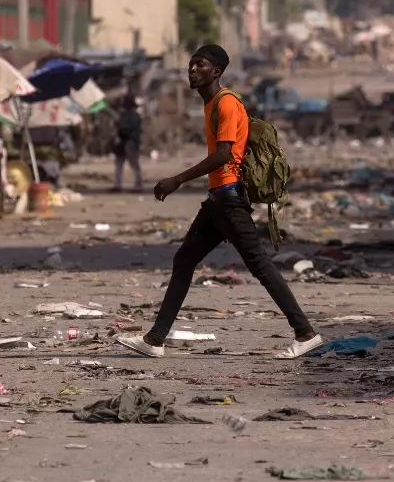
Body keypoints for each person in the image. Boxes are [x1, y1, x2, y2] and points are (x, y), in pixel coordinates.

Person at [118, 44, 323, 360]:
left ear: (216, 71)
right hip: (218, 201)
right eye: (190, 65)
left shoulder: (225, 103)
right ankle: (155, 339)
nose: (192, 70)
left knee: (259, 264)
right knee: (185, 260)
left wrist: (177, 180)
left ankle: (306, 333)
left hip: (228, 199)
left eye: (199, 65)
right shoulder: (211, 104)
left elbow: (225, 153)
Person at [113, 94, 143, 192]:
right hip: (124, 142)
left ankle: (137, 186)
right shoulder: (127, 115)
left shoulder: (133, 115)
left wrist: (119, 123)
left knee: (133, 165)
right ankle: (118, 185)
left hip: (130, 142)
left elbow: (127, 129)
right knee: (119, 164)